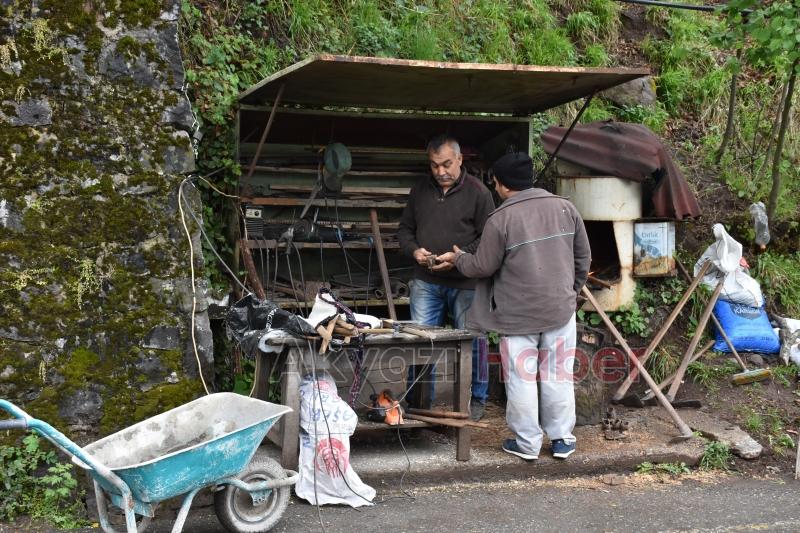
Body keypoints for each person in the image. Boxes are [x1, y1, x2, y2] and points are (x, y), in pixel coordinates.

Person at [436, 152, 591, 460]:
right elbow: (582, 259)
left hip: (516, 315)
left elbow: (482, 266)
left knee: (521, 378)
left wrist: (459, 259)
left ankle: (527, 443)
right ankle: (562, 439)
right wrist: (569, 293)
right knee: (557, 373)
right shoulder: (565, 208)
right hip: (560, 310)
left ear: (503, 185)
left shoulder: (501, 219)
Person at [397, 134, 496, 420]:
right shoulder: (420, 190)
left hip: (466, 282)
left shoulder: (479, 193)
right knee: (421, 344)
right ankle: (419, 404)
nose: (440, 172)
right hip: (426, 282)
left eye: (446, 164)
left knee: (473, 342)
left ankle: (475, 400)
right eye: (434, 165)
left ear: (460, 160)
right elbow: (404, 231)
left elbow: (489, 239)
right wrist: (415, 251)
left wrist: (460, 257)